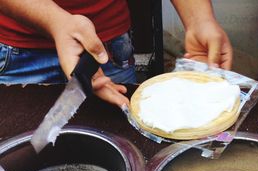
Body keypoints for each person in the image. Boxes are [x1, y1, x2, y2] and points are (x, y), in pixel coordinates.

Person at [0, 0, 233, 107]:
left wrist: (199, 19)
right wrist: (54, 21)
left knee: (123, 148)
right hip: (19, 56)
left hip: (107, 49)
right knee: (21, 163)